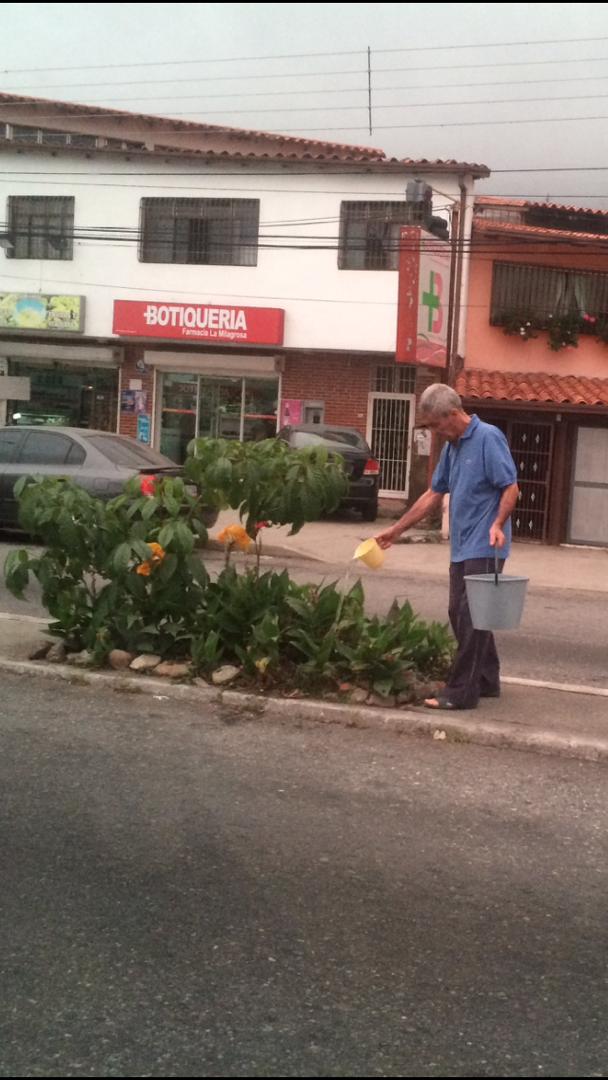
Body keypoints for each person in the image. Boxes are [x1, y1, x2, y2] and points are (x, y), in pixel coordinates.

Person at [375, 383, 519, 711]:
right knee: (461, 611)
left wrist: (497, 524)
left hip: (486, 544)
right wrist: (396, 530)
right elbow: (432, 494)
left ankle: (461, 692)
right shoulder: (452, 448)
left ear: (453, 414)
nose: (435, 432)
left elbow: (511, 487)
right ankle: (486, 679)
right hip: (462, 545)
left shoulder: (488, 438)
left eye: (437, 425)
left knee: (472, 615)